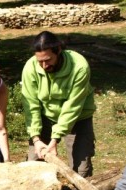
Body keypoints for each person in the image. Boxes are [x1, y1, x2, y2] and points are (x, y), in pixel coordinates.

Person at [22, 31, 96, 177]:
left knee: (81, 171)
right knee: (33, 165)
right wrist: (36, 139)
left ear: (59, 51)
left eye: (48, 60)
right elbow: (31, 106)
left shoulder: (79, 67)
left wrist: (55, 139)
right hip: (45, 118)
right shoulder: (30, 68)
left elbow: (72, 107)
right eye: (40, 61)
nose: (43, 66)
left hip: (78, 118)